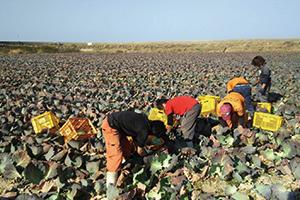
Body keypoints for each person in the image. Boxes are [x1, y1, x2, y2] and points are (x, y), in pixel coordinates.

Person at [101, 111, 166, 189]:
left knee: (126, 149)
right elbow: (140, 151)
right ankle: (110, 185)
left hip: (119, 127)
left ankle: (124, 167)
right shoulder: (144, 130)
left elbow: (136, 139)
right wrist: (143, 157)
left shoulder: (144, 121)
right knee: (115, 154)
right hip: (110, 125)